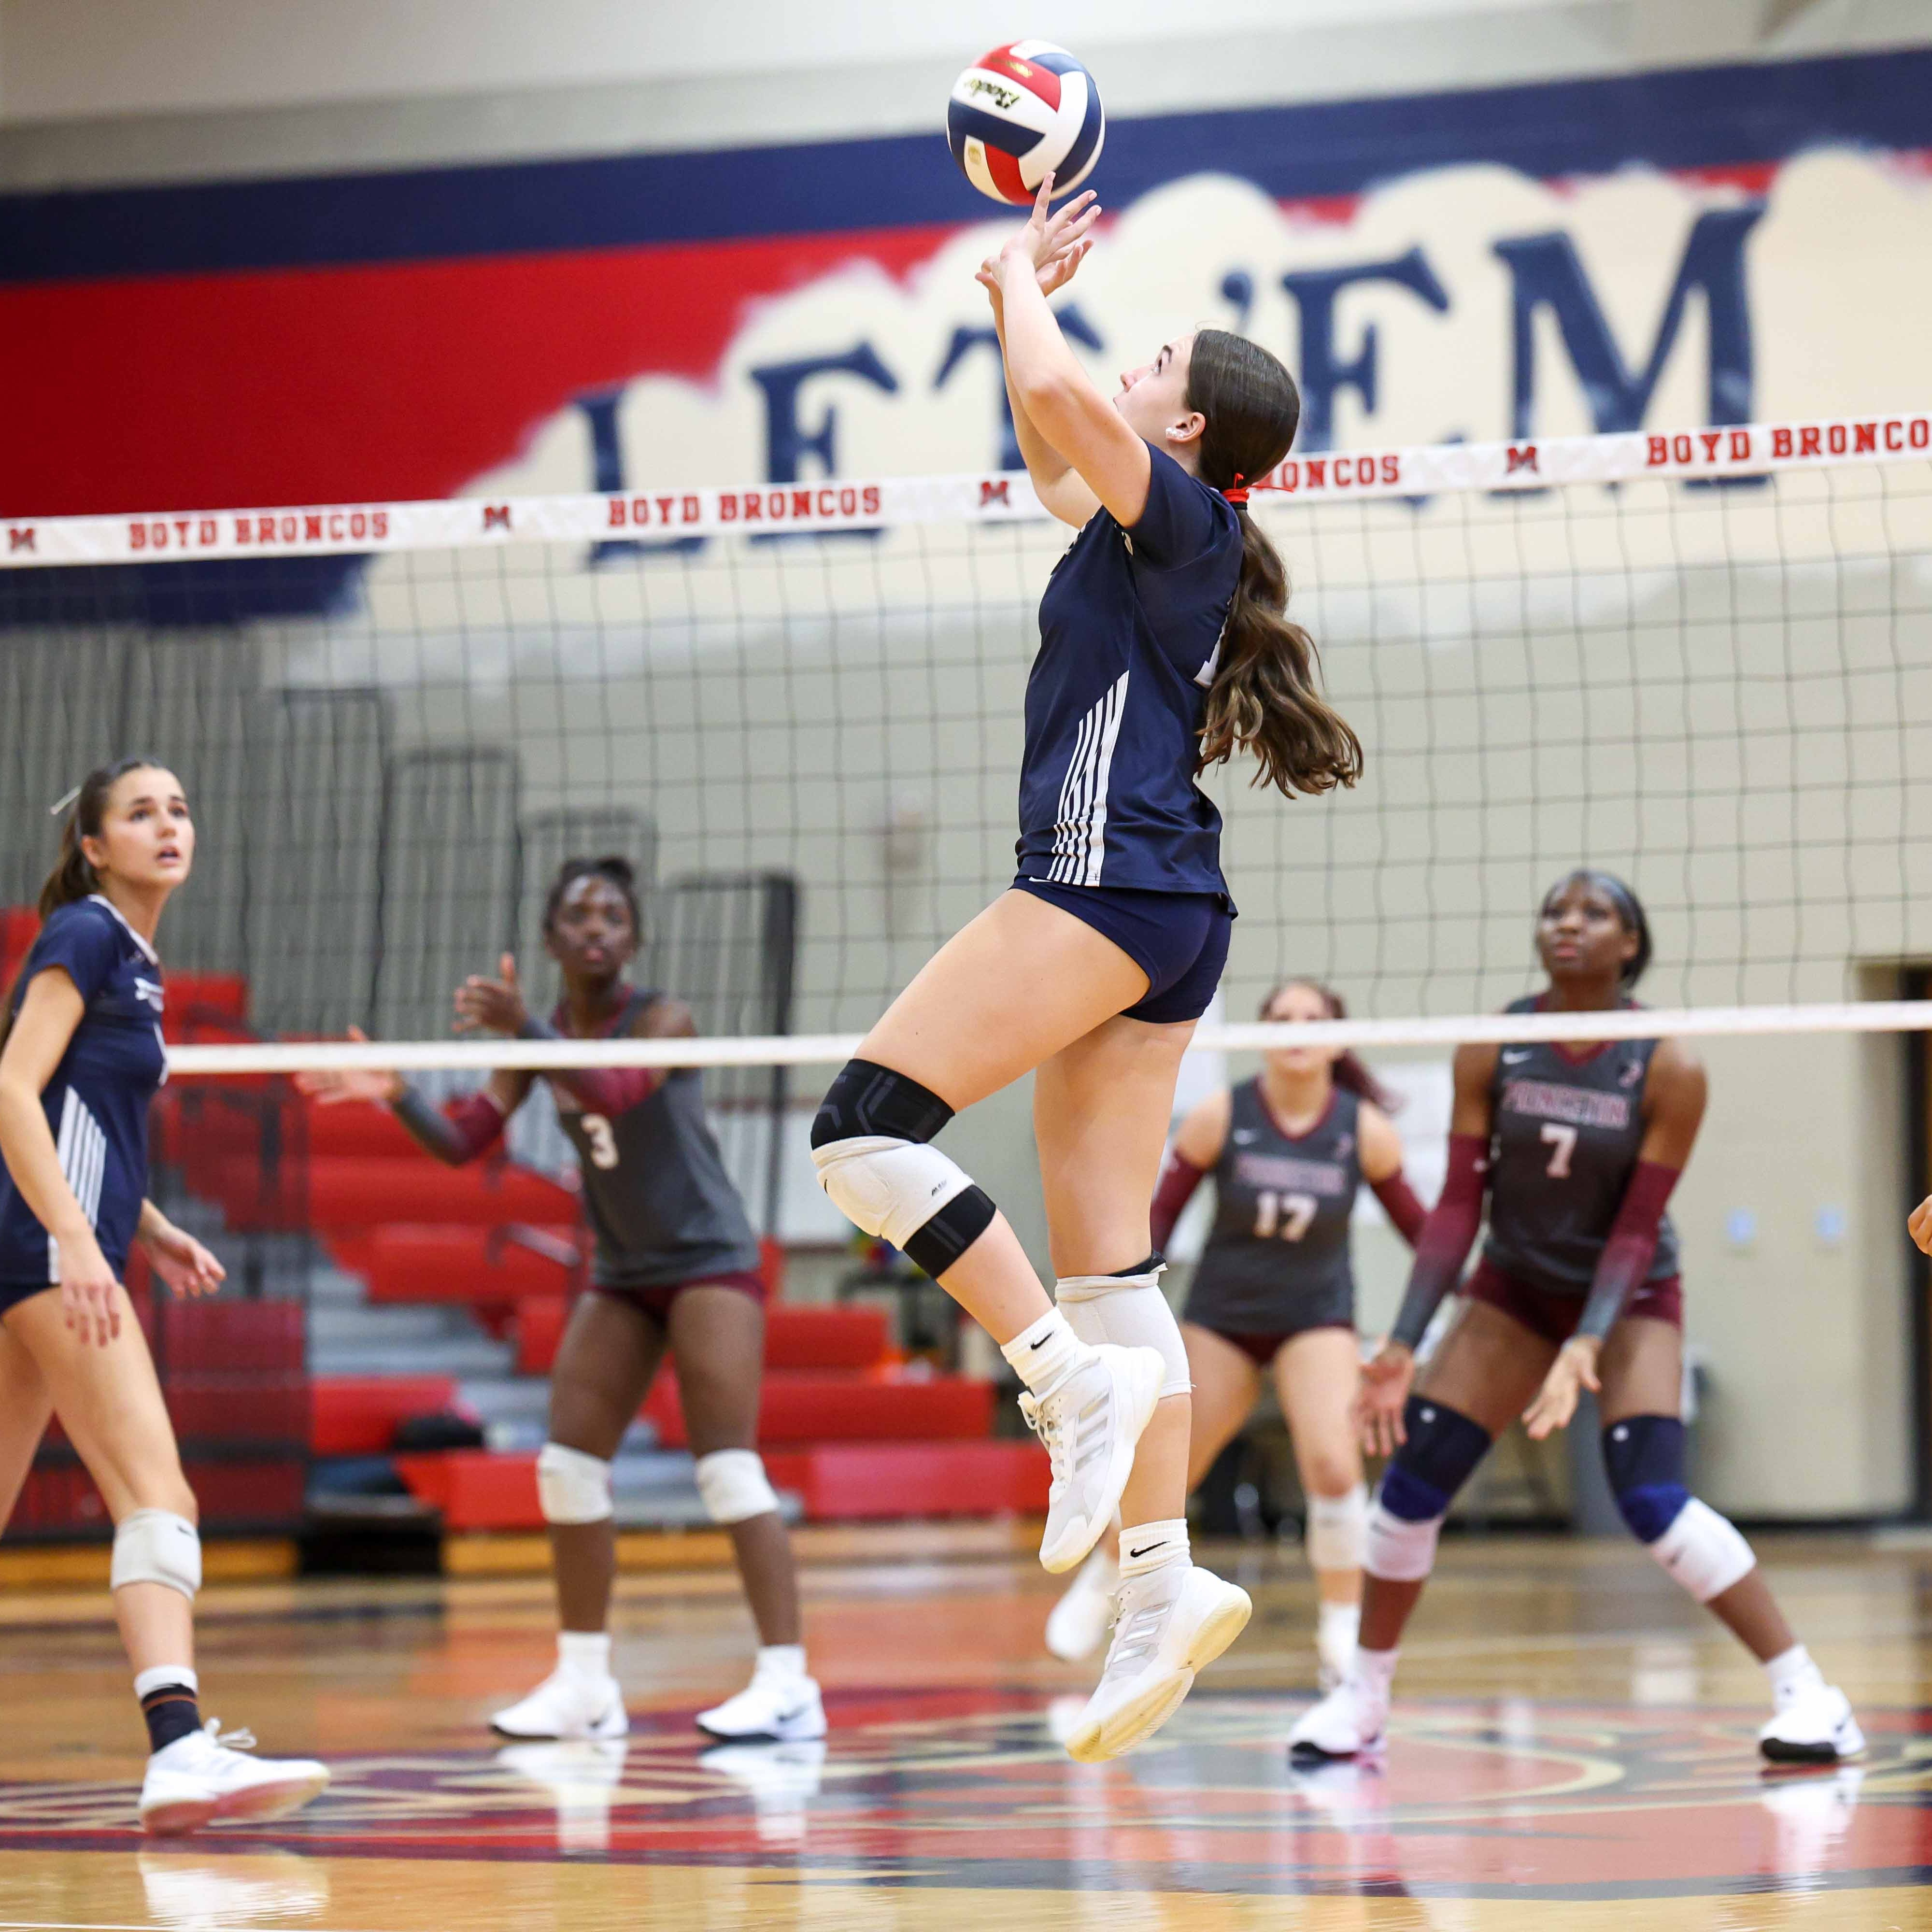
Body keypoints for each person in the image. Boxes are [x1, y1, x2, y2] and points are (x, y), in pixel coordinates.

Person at [807, 176, 1363, 1763]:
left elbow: (1062, 395)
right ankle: (1161, 1586)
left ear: (1187, 430)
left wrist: (1017, 281)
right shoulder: (1168, 525)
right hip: (1173, 913)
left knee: (861, 1133)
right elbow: (1053, 441)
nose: (1133, 362)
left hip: (1100, 879)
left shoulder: (1183, 517)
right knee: (1117, 1269)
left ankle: (1053, 1380)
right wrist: (1009, 311)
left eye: (1159, 357)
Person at [1290, 870, 1863, 1765]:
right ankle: (1362, 1702)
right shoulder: (1498, 1046)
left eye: (1594, 913)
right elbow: (1454, 1212)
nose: (1568, 924)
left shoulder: (1669, 1061)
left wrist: (1587, 1343)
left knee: (1652, 1500)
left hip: (1627, 1295)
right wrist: (1403, 1341)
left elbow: (1637, 1227)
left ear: (1630, 944)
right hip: (1515, 1287)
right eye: (1556, 909)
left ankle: (1811, 1694)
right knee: (1412, 1486)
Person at [299, 856, 820, 1746]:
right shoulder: (537, 1042)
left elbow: (614, 1090)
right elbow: (464, 1144)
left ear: (634, 939)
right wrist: (397, 1095)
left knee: (727, 1467)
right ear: (549, 940)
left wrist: (529, 1029)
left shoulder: (663, 1019)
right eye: (578, 916)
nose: (596, 929)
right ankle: (585, 1687)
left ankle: (788, 1684)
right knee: (566, 1467)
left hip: (708, 1262)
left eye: (613, 916)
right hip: (624, 1272)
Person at [0, 759, 330, 1835]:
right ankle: (180, 1748)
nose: (168, 824)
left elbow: (76, 1109)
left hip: (58, 1240)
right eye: (141, 812)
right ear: (94, 845)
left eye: (181, 807)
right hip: (49, 1248)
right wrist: (76, 1242)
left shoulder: (133, 955)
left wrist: (147, 1224)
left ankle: (183, 1748)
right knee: (160, 1491)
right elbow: (11, 1085)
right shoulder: (88, 933)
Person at [1044, 979, 1426, 1684]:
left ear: (1337, 1038)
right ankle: (1101, 1587)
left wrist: (1443, 1314)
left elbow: (1428, 1238)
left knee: (1336, 1467)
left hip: (1318, 1318)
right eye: (1281, 1018)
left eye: (1312, 1019)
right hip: (1223, 1317)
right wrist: (1109, 1316)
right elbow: (1149, 1221)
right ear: (1260, 1034)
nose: (1297, 1030)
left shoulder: (1362, 1129)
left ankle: (1342, 1623)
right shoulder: (1222, 1116)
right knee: (1168, 1471)